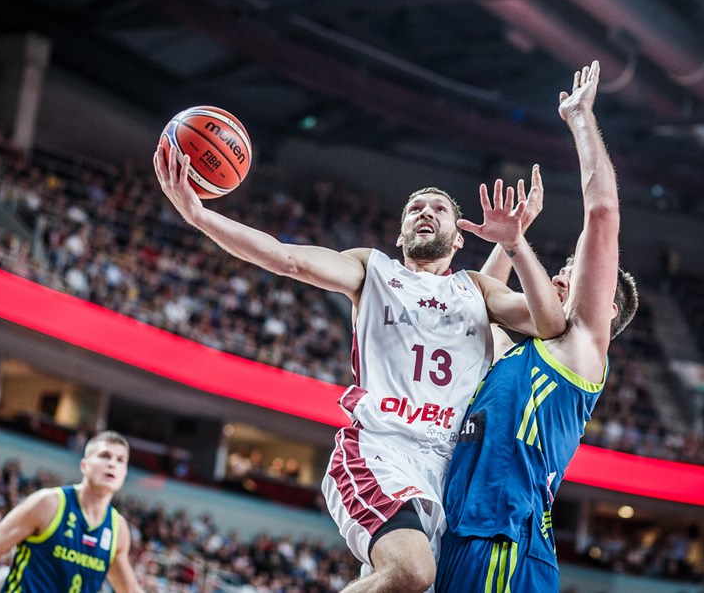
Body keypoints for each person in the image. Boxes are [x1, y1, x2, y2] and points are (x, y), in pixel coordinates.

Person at [154, 139, 566, 592]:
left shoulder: (477, 290)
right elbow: (285, 257)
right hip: (380, 450)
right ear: (399, 232)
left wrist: (515, 244)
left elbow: (550, 322)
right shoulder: (374, 271)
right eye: (414, 208)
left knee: (402, 581)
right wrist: (199, 215)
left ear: (460, 236)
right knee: (413, 571)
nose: (425, 212)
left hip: (452, 471)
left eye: (438, 209)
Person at [435, 61, 640, 592]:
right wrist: (511, 238)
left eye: (570, 272)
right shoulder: (517, 350)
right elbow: (480, 302)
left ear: (607, 309)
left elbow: (602, 213)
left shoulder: (583, 346)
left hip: (506, 542)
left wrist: (579, 120)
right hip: (459, 534)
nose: (560, 273)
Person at [0, 431, 143, 593]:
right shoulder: (48, 504)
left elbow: (129, 589)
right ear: (84, 465)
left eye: (120, 460)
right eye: (105, 456)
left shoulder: (117, 529)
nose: (112, 464)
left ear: (125, 472)